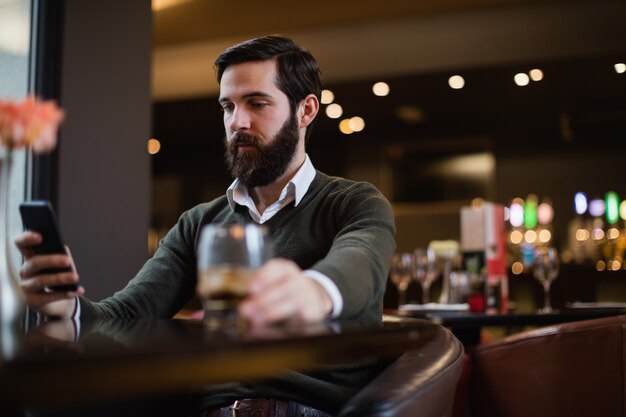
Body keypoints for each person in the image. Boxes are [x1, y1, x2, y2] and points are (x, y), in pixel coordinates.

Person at [15, 35, 396, 414]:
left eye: (257, 103)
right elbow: (130, 313)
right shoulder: (200, 222)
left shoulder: (354, 203)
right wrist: (68, 307)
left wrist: (314, 291)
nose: (237, 121)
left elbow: (360, 261)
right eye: (227, 106)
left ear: (306, 110)